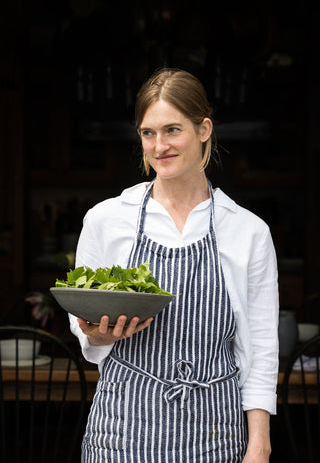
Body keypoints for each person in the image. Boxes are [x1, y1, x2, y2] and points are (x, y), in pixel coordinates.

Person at [70, 68, 279, 463]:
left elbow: (262, 348)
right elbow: (85, 331)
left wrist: (259, 444)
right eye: (148, 133)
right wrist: (99, 335)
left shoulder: (248, 231)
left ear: (204, 129)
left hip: (215, 433)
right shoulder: (107, 219)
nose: (159, 145)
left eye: (172, 130)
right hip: (122, 432)